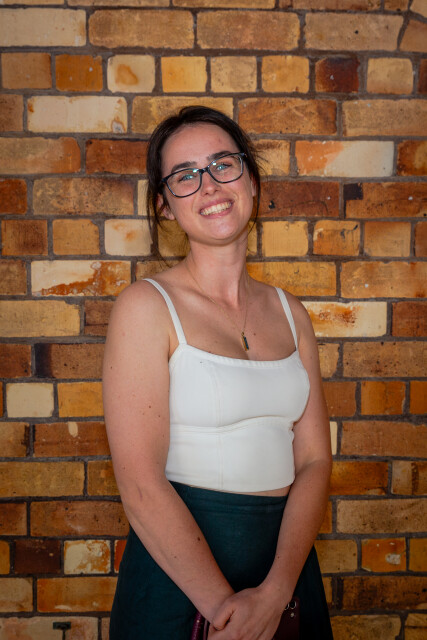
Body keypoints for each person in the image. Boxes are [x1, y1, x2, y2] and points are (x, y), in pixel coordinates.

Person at [103, 106, 333, 640]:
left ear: (250, 180)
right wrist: (226, 614)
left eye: (223, 164)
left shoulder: (292, 313)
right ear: (164, 206)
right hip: (178, 582)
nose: (209, 185)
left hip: (286, 570)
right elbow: (139, 484)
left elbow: (315, 460)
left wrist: (276, 593)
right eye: (185, 175)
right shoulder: (146, 307)